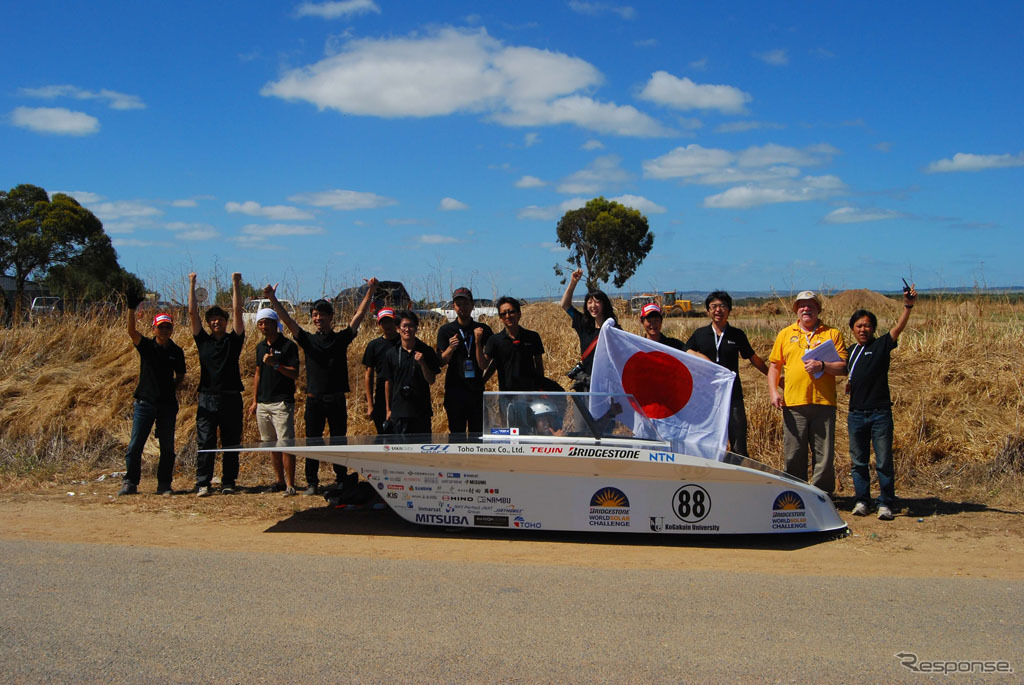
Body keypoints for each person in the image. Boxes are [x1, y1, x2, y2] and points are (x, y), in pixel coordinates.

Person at [266, 279, 377, 495]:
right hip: (314, 398)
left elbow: (359, 316)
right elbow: (287, 321)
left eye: (321, 315)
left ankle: (341, 478)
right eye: (314, 315)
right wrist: (272, 298)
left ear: (330, 317)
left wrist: (371, 290)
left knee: (338, 441)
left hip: (336, 398)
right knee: (312, 442)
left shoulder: (341, 339)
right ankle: (312, 482)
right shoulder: (307, 340)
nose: (318, 319)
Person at [847, 284, 918, 520]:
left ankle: (886, 502)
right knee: (858, 462)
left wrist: (907, 306)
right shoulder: (850, 352)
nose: (863, 329)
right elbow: (837, 369)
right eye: (859, 326)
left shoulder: (882, 345)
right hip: (856, 413)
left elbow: (898, 327)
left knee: (884, 461)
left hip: (880, 414)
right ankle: (862, 501)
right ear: (853, 329)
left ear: (873, 328)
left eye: (867, 325)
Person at [767, 291, 848, 494]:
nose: (806, 309)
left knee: (824, 456)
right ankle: (796, 495)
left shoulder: (832, 334)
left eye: (811, 305)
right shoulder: (785, 334)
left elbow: (843, 367)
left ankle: (822, 497)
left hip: (824, 403)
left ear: (818, 309)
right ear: (796, 310)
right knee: (794, 454)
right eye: (802, 305)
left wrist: (822, 365)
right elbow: (775, 366)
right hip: (794, 404)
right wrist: (773, 392)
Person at [685, 291, 769, 456]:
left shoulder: (737, 335)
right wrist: (702, 358)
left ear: (729, 310)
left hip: (733, 395)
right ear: (708, 311)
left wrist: (773, 377)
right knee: (708, 441)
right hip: (707, 397)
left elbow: (753, 358)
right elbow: (686, 350)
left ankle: (739, 475)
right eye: (714, 307)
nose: (718, 310)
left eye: (722, 306)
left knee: (738, 442)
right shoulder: (700, 334)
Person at [119, 304, 186, 496]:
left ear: (172, 329)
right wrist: (131, 307)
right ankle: (130, 482)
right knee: (135, 445)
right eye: (161, 326)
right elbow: (131, 331)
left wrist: (172, 388)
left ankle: (164, 484)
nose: (164, 330)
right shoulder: (147, 346)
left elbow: (180, 374)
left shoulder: (176, 351)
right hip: (144, 403)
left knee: (167, 447)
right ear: (153, 328)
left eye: (168, 326)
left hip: (167, 405)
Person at [189, 272, 245, 497]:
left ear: (225, 321)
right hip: (207, 397)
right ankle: (203, 482)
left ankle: (228, 481)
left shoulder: (234, 340)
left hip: (231, 397)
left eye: (220, 318)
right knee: (206, 442)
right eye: (211, 319)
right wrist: (192, 283)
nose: (215, 321)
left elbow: (238, 311)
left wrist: (235, 284)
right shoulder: (202, 340)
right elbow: (192, 312)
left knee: (231, 443)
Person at [249, 308, 300, 496]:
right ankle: (278, 481)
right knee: (270, 444)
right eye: (260, 323)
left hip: (282, 402)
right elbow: (258, 373)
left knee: (286, 444)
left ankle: (291, 484)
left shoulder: (288, 346)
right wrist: (255, 401)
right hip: (263, 402)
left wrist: (276, 364)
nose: (264, 326)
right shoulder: (260, 347)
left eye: (267, 322)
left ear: (275, 323)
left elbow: (295, 373)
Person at [436, 287, 493, 434]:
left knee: (478, 433)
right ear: (454, 307)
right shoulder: (445, 330)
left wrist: (478, 343)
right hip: (455, 391)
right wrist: (450, 348)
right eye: (459, 304)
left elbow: (484, 364)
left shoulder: (483, 329)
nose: (462, 307)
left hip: (476, 391)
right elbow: (440, 362)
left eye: (466, 303)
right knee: (456, 433)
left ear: (472, 305)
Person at [382, 310, 441, 434]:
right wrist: (388, 409)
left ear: (416, 328)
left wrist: (423, 363)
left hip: (421, 411)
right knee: (399, 451)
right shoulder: (391, 353)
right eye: (404, 326)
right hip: (399, 411)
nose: (407, 329)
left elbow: (431, 380)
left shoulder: (426, 350)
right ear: (398, 329)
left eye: (411, 326)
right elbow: (388, 382)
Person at [559, 268, 616, 390]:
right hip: (587, 383)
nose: (593, 306)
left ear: (604, 304)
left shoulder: (613, 330)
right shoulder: (584, 325)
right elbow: (565, 305)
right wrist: (573, 282)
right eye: (589, 302)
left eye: (597, 302)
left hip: (606, 385)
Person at [483, 296, 545, 391]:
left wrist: (541, 387)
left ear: (519, 314)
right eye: (503, 314)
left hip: (530, 393)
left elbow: (539, 365)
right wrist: (481, 382)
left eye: (511, 312)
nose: (508, 316)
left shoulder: (533, 337)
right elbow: (491, 365)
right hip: (506, 394)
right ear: (500, 318)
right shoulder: (494, 340)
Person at [362, 308, 400, 434]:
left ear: (395, 322)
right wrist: (370, 405)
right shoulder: (374, 345)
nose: (387, 325)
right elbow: (369, 374)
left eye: (390, 321)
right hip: (381, 394)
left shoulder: (404, 342)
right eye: (384, 322)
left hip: (400, 392)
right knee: (384, 433)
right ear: (379, 324)